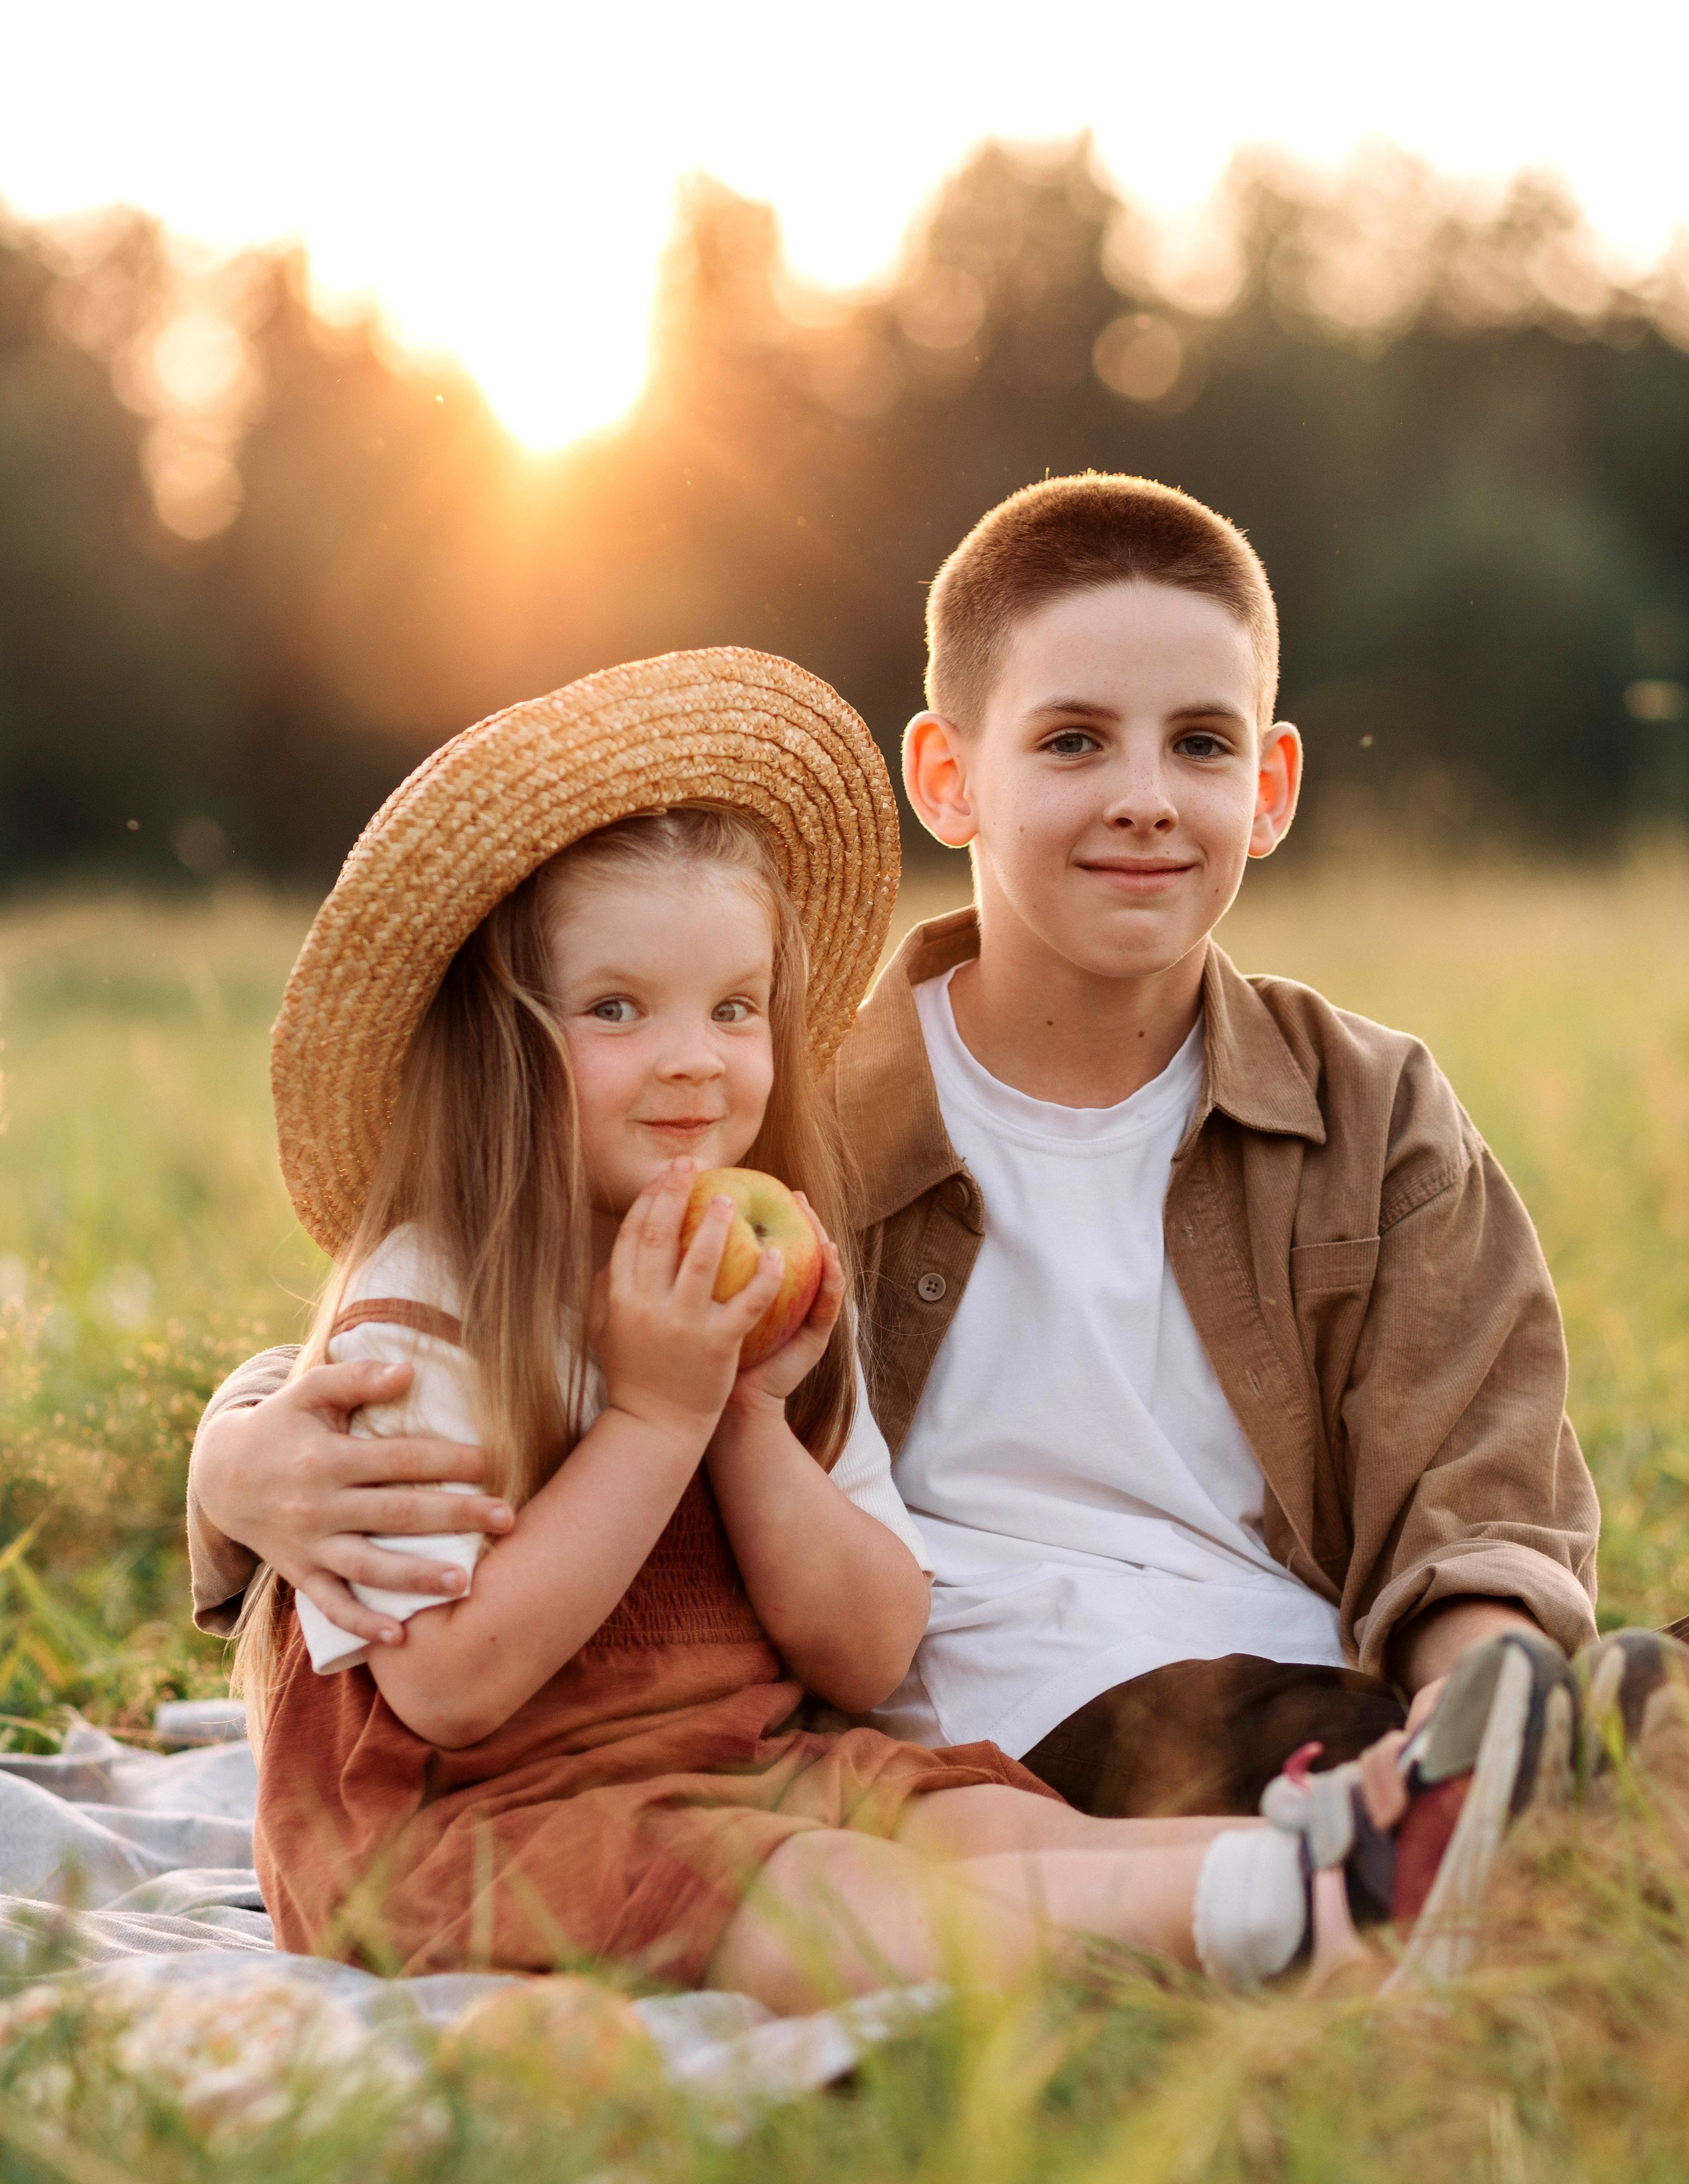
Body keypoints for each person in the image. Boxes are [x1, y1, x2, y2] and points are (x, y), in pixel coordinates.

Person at [189, 477, 1601, 1821]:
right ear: (945, 777)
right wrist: (234, 1463)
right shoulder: (783, 1112)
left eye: (1201, 744)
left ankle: (1503, 1796)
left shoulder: (1367, 1112)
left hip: (1328, 1684)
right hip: (1015, 1718)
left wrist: (1481, 1714)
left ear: (1270, 785)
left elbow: (1478, 1485)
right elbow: (481, 1298)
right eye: (1069, 741)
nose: (1144, 798)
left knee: (1591, 1744)